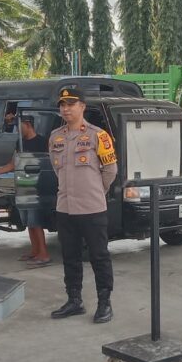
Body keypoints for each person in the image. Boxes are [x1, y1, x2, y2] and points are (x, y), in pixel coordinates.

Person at [48, 88, 118, 323]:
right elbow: (56, 169)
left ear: (82, 106)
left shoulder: (98, 135)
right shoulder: (55, 137)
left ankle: (104, 303)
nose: (66, 108)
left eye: (71, 104)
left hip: (92, 208)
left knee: (99, 256)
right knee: (70, 256)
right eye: (62, 104)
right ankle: (74, 300)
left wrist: (96, 191)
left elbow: (110, 171)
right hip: (65, 207)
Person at [0, 116, 51, 266]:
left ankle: (43, 253)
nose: (17, 130)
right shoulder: (20, 142)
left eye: (19, 126)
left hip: (36, 187)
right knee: (28, 222)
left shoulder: (42, 142)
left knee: (35, 221)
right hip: (23, 185)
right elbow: (13, 163)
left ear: (28, 124)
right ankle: (34, 251)